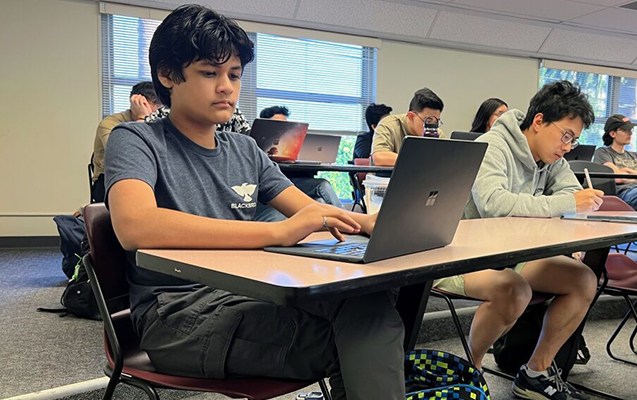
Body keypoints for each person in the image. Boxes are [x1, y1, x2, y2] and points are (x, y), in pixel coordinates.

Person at [103, 5, 405, 400]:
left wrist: (365, 222)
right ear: (167, 75)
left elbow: (308, 209)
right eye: (209, 73)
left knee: (371, 310)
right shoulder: (136, 140)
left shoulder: (244, 150)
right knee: (367, 340)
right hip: (178, 313)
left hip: (249, 292)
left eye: (234, 75)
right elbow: (135, 226)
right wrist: (277, 232)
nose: (226, 87)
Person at [435, 81, 603, 400]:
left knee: (583, 280)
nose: (568, 147)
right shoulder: (493, 145)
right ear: (539, 121)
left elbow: (572, 193)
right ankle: (472, 371)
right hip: (462, 254)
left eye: (574, 140)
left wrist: (567, 203)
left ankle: (535, 373)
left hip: (512, 253)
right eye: (566, 135)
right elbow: (494, 204)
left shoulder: (551, 158)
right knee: (514, 289)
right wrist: (565, 204)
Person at [253, 106, 343, 222]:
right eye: (277, 124)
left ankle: (348, 222)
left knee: (322, 188)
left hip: (294, 182)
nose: (281, 129)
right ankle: (349, 222)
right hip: (276, 186)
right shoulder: (256, 146)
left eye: (285, 125)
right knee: (320, 194)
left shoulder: (292, 143)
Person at [92, 81, 162, 202]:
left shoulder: (159, 121)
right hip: (110, 178)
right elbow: (124, 156)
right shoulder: (109, 123)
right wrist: (142, 119)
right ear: (136, 103)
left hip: (148, 175)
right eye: (156, 106)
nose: (157, 112)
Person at [371, 88, 444, 166]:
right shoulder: (388, 125)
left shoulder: (436, 133)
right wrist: (419, 160)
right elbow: (379, 157)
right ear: (411, 116)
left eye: (436, 122)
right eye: (428, 122)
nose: (432, 128)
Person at [593, 114, 637, 208]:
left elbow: (621, 176)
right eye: (625, 130)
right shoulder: (603, 152)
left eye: (630, 130)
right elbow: (618, 178)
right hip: (623, 193)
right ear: (612, 134)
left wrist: (627, 171)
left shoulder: (634, 155)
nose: (630, 133)